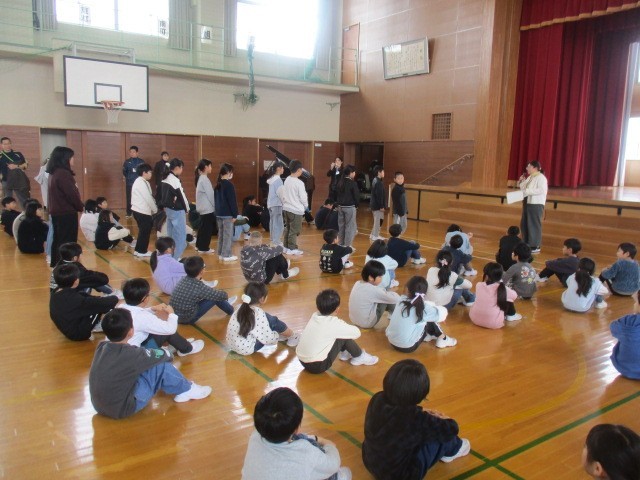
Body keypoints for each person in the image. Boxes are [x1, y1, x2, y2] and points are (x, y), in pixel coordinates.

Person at [89, 308, 212, 419]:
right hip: (123, 408)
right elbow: (163, 356)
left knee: (147, 364)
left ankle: (181, 387)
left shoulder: (102, 347)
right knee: (161, 367)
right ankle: (187, 389)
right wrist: (166, 353)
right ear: (131, 332)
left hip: (100, 406)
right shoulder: (132, 354)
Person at [362, 359, 470, 480]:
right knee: (443, 436)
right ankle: (456, 448)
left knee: (418, 434)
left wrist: (422, 412)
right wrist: (445, 418)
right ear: (420, 393)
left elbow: (397, 414)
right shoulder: (416, 419)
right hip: (401, 476)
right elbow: (451, 429)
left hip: (370, 462)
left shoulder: (377, 398)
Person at [241, 386, 351, 480]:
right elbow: (333, 464)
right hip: (320, 460)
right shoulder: (305, 452)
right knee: (342, 473)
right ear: (296, 429)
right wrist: (328, 444)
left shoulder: (255, 436)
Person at [296, 289, 378, 373]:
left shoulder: (314, 316)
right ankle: (359, 356)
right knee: (343, 334)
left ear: (317, 307)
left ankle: (345, 353)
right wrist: (343, 324)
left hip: (302, 361)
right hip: (318, 366)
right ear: (337, 310)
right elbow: (357, 333)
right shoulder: (334, 323)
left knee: (339, 333)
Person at [120, 278, 204, 357]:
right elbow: (170, 329)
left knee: (159, 326)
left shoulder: (120, 308)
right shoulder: (144, 317)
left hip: (123, 350)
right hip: (137, 353)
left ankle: (179, 343)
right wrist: (172, 313)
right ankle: (187, 349)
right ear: (145, 299)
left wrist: (152, 309)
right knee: (166, 328)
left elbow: (136, 314)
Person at [49, 264, 119, 341]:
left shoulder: (56, 291)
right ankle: (99, 325)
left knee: (92, 300)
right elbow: (99, 303)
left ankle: (95, 322)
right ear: (76, 281)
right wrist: (116, 299)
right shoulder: (75, 299)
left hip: (67, 326)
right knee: (103, 306)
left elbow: (85, 298)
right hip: (78, 334)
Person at [226, 282, 299, 355]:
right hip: (247, 349)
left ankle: (284, 334)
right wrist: (276, 336)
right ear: (262, 299)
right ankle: (293, 336)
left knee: (266, 321)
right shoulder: (258, 313)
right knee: (273, 321)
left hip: (232, 345)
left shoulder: (239, 308)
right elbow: (268, 339)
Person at [386, 276, 453, 352]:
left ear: (407, 288)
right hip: (408, 347)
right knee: (430, 317)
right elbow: (442, 314)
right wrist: (438, 313)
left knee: (426, 316)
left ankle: (430, 334)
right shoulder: (423, 308)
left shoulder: (401, 300)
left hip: (392, 341)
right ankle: (443, 338)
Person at [169, 256, 237, 324]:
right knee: (215, 297)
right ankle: (232, 311)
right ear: (201, 271)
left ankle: (226, 303)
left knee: (211, 294)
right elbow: (223, 295)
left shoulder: (183, 279)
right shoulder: (199, 287)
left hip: (173, 315)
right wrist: (223, 295)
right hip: (187, 319)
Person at [47, 146, 84, 267]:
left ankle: (57, 264)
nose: (73, 159)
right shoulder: (63, 174)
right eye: (71, 157)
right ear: (65, 158)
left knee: (59, 240)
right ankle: (66, 266)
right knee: (67, 242)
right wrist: (80, 206)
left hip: (57, 212)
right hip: (65, 212)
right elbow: (71, 194)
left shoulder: (55, 172)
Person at [50, 242, 120, 296]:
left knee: (89, 279)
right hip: (72, 298)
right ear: (75, 258)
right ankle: (112, 292)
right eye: (80, 254)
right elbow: (101, 278)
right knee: (92, 280)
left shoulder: (58, 265)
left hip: (56, 296)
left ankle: (111, 292)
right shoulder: (75, 269)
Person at [349, 260, 401, 329]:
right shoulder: (373, 290)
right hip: (367, 323)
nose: (381, 279)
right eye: (380, 277)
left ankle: (392, 312)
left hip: (353, 320)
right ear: (371, 277)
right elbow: (396, 299)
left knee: (383, 295)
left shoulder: (357, 283)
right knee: (386, 298)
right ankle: (394, 315)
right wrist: (390, 292)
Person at [469, 262, 521, 328]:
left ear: (486, 275)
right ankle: (511, 315)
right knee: (508, 298)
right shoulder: (502, 288)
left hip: (474, 318)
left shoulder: (478, 285)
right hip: (494, 323)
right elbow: (514, 296)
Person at [518, 160, 548, 253]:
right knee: (525, 223)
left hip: (536, 204)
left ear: (535, 168)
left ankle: (535, 245)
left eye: (529, 167)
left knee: (533, 224)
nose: (527, 168)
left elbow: (541, 190)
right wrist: (521, 181)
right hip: (527, 202)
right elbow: (523, 188)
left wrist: (528, 191)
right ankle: (526, 243)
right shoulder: (530, 177)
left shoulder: (541, 178)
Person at [610, 291, 640, 380]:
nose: (634, 304)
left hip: (624, 367)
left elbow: (613, 329)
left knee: (623, 337)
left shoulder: (628, 320)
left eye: (636, 302)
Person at [279, 160, 307, 255]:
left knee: (288, 228)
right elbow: (303, 197)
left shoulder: (287, 179)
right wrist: (306, 206)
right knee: (294, 230)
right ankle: (292, 248)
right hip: (296, 210)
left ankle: (286, 247)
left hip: (286, 208)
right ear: (299, 170)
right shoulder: (299, 183)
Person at [130, 163, 157, 258]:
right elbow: (148, 198)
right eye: (150, 172)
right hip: (141, 211)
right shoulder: (140, 183)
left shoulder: (143, 181)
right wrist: (155, 209)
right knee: (145, 231)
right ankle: (142, 251)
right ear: (144, 173)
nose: (151, 174)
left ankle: (138, 250)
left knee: (143, 231)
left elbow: (150, 197)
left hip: (140, 210)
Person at [214, 163, 239, 261]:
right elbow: (232, 201)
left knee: (221, 234)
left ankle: (220, 253)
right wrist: (235, 214)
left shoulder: (218, 185)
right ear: (228, 172)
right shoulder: (229, 185)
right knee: (228, 235)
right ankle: (226, 254)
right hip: (227, 214)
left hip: (219, 213)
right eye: (231, 172)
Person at [195, 158, 217, 254]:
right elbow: (211, 195)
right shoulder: (204, 179)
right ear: (205, 167)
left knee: (202, 227)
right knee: (207, 229)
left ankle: (199, 245)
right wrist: (216, 206)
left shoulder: (201, 178)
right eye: (210, 166)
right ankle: (204, 248)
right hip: (207, 208)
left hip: (203, 208)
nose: (211, 168)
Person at [334, 164, 359, 249]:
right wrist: (357, 205)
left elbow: (335, 193)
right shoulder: (352, 183)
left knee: (341, 226)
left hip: (340, 206)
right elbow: (356, 196)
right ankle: (347, 246)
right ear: (351, 173)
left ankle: (340, 243)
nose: (355, 174)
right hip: (349, 207)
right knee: (349, 227)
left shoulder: (340, 182)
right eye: (354, 172)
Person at [1, 137, 30, 208]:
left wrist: (16, 166)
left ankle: (25, 213)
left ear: (11, 144)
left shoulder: (18, 154)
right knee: (7, 201)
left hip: (18, 180)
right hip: (5, 181)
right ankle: (8, 214)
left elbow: (25, 166)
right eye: (5, 144)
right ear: (1, 145)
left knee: (23, 199)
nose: (7, 145)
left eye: (8, 143)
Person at [122, 146, 144, 218]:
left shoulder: (141, 162)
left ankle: (139, 212)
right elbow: (124, 172)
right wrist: (128, 177)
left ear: (137, 153)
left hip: (139, 183)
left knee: (139, 197)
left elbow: (143, 172)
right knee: (129, 198)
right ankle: (129, 213)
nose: (132, 153)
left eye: (133, 152)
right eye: (130, 152)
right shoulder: (127, 162)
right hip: (130, 183)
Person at [266, 161, 285, 246]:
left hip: (271, 204)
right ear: (278, 169)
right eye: (282, 167)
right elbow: (281, 193)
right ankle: (276, 241)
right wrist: (285, 202)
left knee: (273, 222)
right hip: (277, 204)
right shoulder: (278, 180)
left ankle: (273, 239)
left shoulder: (272, 179)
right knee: (278, 223)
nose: (283, 169)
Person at [369, 166, 387, 241]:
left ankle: (373, 234)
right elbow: (379, 195)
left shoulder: (375, 180)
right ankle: (375, 236)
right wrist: (381, 206)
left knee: (379, 220)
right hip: (377, 205)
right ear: (379, 172)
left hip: (374, 204)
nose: (384, 173)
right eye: (383, 171)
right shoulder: (378, 182)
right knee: (378, 220)